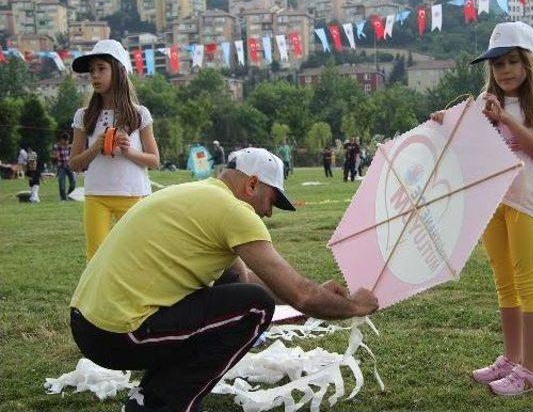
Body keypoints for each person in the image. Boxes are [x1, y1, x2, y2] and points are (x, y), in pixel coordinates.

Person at [69, 148, 379, 412]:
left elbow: (245, 279)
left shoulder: (198, 193)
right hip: (118, 333)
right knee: (257, 308)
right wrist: (353, 306)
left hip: (89, 324)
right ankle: (166, 404)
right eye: (272, 200)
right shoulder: (233, 211)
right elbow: (301, 297)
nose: (269, 213)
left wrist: (312, 293)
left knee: (234, 285)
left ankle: (148, 397)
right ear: (253, 184)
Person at [430, 22, 533, 396]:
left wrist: (503, 119)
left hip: (523, 204)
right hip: (492, 204)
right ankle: (512, 357)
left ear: (529, 64)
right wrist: (448, 124)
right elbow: (468, 151)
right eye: (497, 64)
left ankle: (532, 372)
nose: (504, 71)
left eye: (511, 62)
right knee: (505, 284)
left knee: (527, 284)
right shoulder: (488, 103)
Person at [69, 39, 160, 261]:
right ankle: (98, 297)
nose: (95, 76)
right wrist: (96, 147)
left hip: (132, 194)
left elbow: (154, 160)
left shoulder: (139, 114)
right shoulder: (83, 115)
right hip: (96, 195)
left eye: (101, 68)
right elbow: (75, 164)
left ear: (119, 71)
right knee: (96, 258)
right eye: (91, 71)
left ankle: (136, 296)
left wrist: (129, 152)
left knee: (134, 256)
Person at [51, 132, 76, 200]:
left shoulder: (70, 146)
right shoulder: (56, 146)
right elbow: (52, 155)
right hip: (61, 167)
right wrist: (55, 156)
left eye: (67, 140)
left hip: (69, 166)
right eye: (65, 140)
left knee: (73, 183)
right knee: (62, 184)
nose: (66, 142)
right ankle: (64, 198)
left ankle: (70, 195)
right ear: (61, 139)